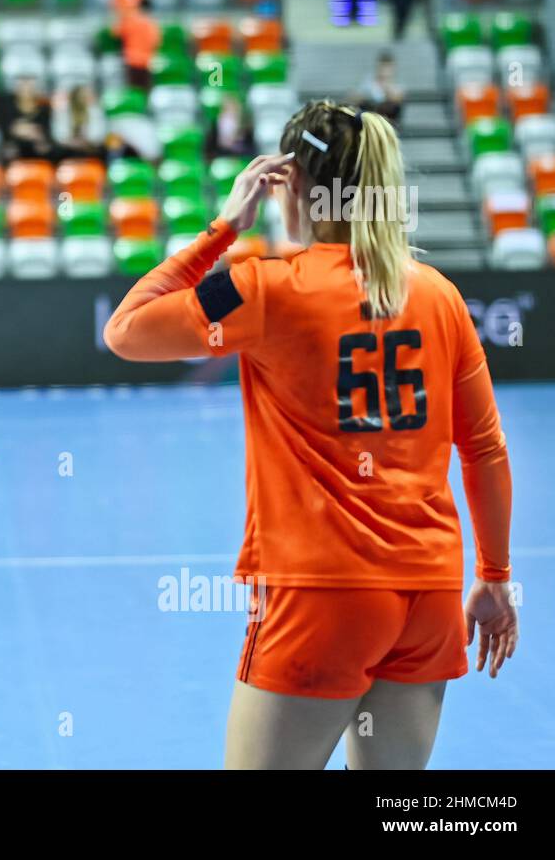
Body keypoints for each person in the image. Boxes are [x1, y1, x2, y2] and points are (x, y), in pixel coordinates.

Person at [103, 100, 517, 770]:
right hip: (428, 594)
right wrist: (494, 577)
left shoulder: (265, 289)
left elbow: (126, 329)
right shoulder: (439, 296)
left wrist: (223, 227)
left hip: (319, 596)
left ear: (289, 182)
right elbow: (485, 449)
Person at [0, 74, 53, 163]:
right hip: (15, 149)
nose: (26, 88)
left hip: (36, 150)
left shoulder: (44, 110)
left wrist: (35, 135)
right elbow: (6, 129)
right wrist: (16, 129)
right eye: (23, 83)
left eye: (29, 83)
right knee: (9, 150)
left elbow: (46, 135)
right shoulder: (7, 107)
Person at [353, 50, 405, 125]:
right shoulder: (369, 82)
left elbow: (397, 97)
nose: (384, 71)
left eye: (387, 68)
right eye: (382, 68)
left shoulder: (397, 86)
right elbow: (355, 97)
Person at [206, 94, 255, 162]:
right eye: (227, 109)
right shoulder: (216, 125)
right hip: (221, 157)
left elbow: (251, 149)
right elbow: (210, 150)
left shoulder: (246, 125)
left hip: (241, 158)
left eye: (234, 108)